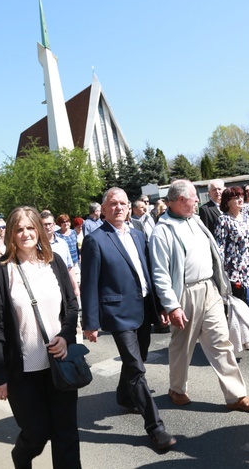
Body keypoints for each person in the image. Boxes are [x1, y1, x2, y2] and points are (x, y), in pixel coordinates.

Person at [149, 179, 249, 412]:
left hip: (209, 290)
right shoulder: (162, 230)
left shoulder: (196, 221)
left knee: (221, 342)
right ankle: (177, 389)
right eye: (193, 197)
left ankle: (236, 396)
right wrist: (172, 306)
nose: (198, 201)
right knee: (182, 346)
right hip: (185, 295)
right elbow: (159, 273)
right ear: (180, 200)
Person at [0, 206, 81, 468]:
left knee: (66, 433)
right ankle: (21, 456)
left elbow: (71, 306)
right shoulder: (1, 271)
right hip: (23, 371)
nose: (26, 234)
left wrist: (66, 335)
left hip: (60, 364)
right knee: (37, 433)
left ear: (39, 229)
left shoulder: (54, 262)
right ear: (11, 235)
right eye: (19, 229)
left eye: (30, 227)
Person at [81, 188, 176, 451]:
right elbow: (89, 284)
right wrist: (90, 322)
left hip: (144, 307)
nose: (119, 208)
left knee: (139, 358)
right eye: (113, 203)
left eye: (123, 203)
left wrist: (160, 306)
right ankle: (155, 428)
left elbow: (147, 272)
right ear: (103, 208)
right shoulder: (96, 240)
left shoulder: (137, 233)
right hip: (117, 313)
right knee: (136, 367)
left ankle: (124, 395)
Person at [213, 186, 249, 352]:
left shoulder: (245, 216)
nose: (240, 199)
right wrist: (222, 273)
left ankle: (247, 337)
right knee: (244, 303)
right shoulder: (224, 220)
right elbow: (219, 248)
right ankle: (248, 339)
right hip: (235, 271)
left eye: (241, 196)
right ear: (227, 202)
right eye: (236, 197)